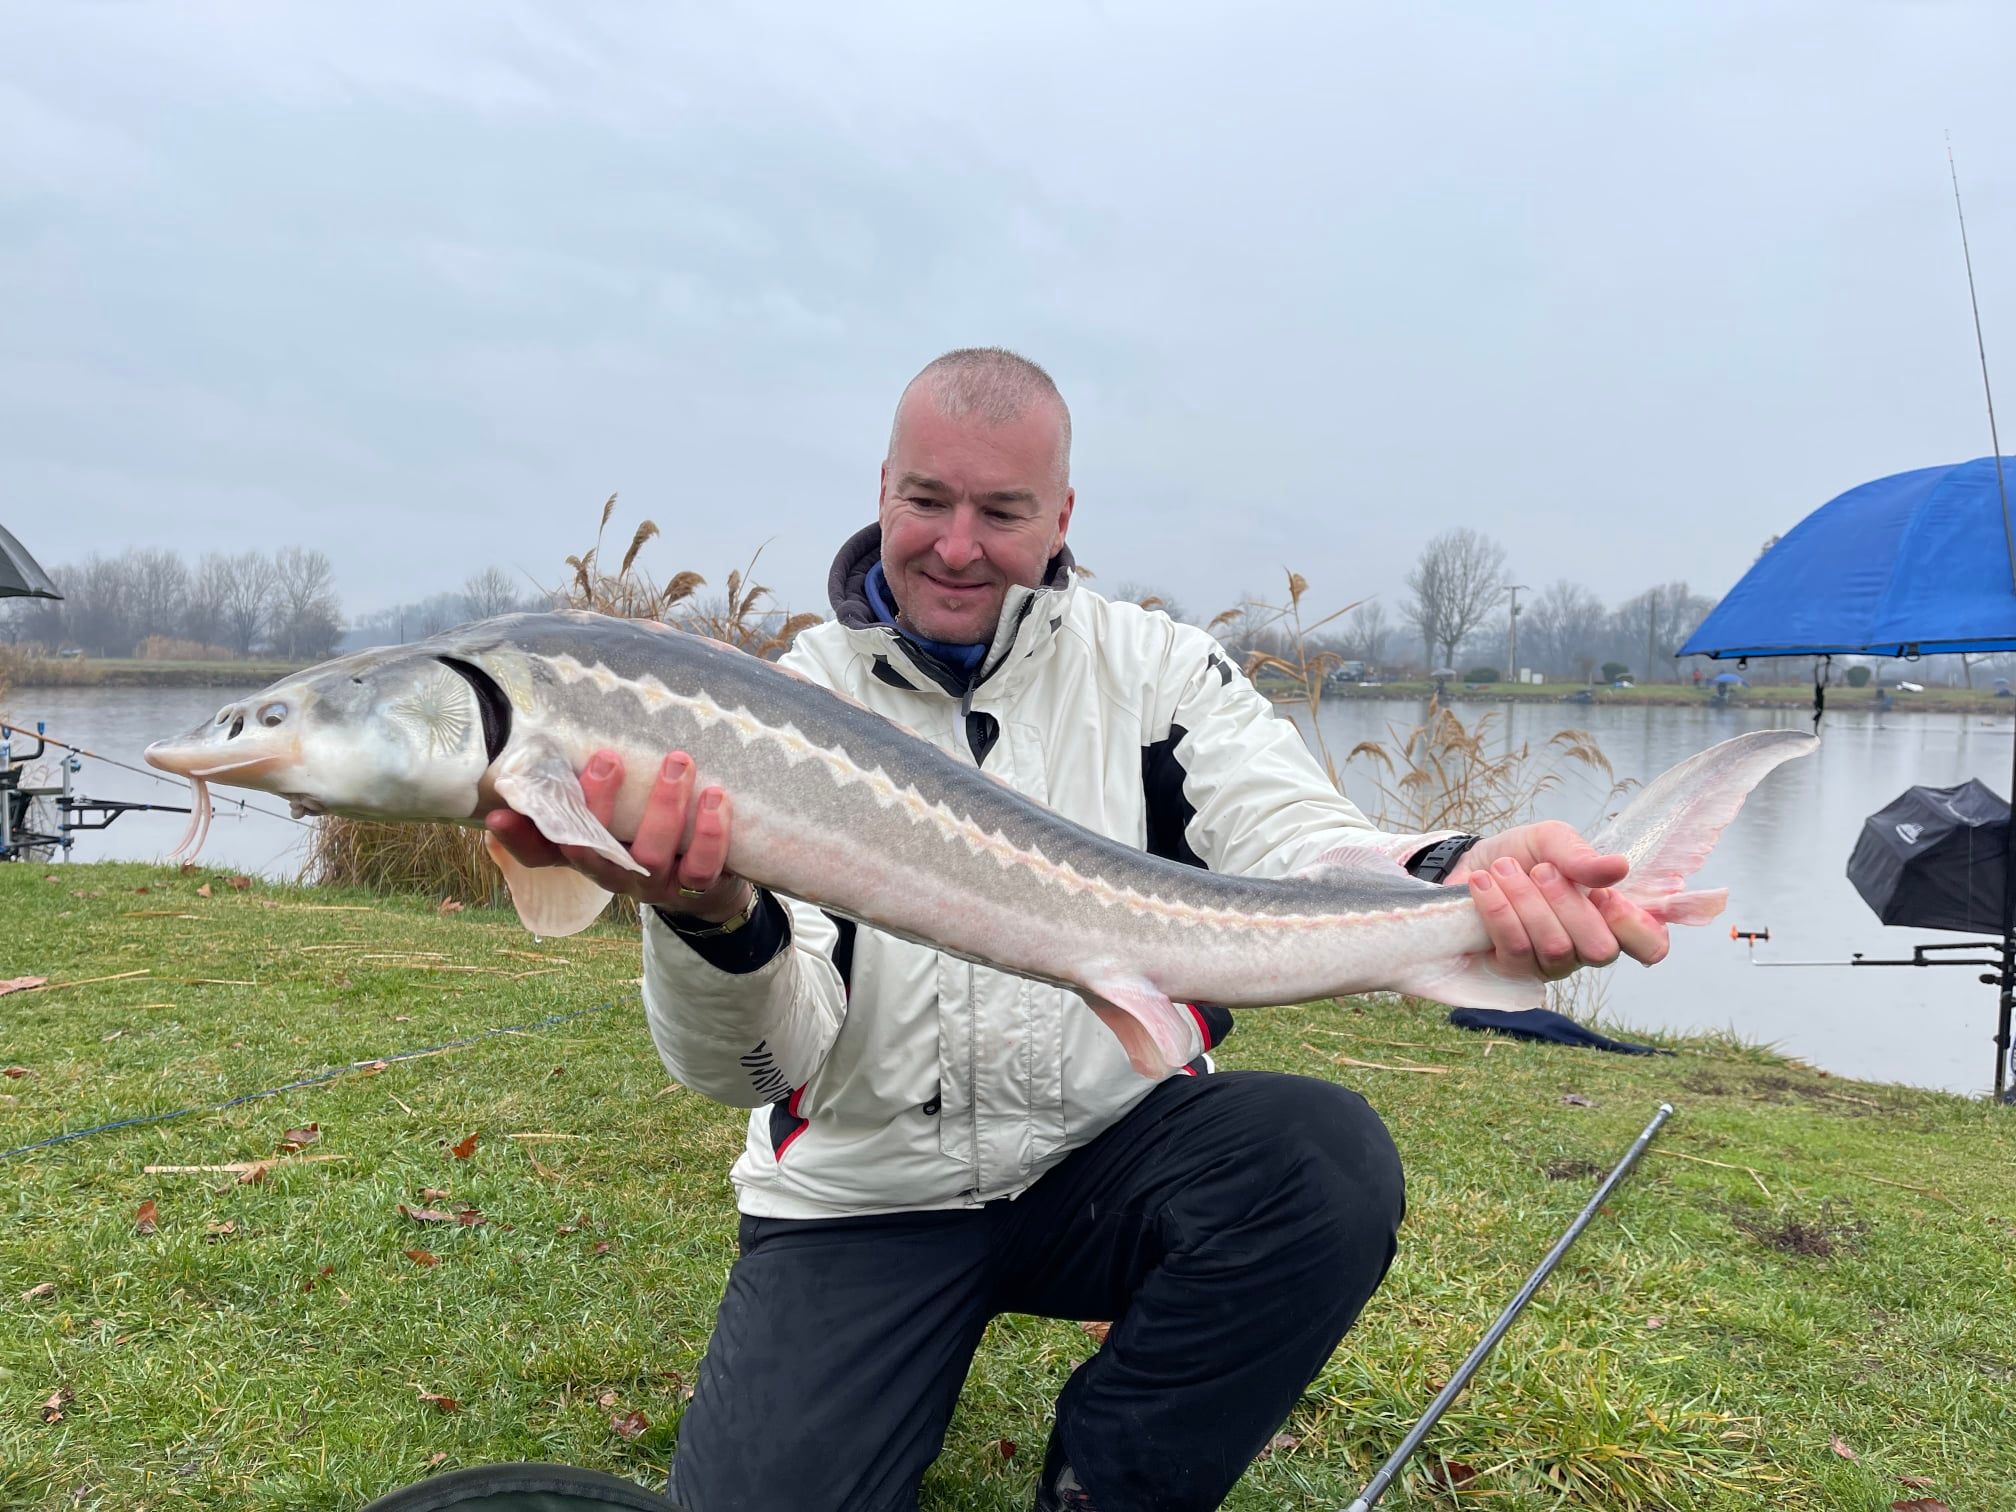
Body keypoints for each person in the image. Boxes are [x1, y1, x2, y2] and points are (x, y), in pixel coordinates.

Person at [487, 349, 1670, 1512]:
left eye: (1002, 511)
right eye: (927, 501)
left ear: (1061, 515)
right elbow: (753, 1066)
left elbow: (1295, 838)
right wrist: (709, 918)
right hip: (864, 1199)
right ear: (882, 491)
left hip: (1105, 1157)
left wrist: (1454, 876)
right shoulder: (780, 709)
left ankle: (1108, 1483)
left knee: (1321, 1160)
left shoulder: (1155, 671)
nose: (956, 545)